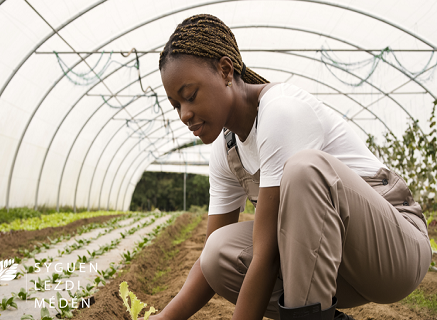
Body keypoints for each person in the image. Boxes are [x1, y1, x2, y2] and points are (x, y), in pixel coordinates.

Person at [147, 14, 431, 320]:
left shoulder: (281, 111)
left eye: (190, 96)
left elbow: (266, 254)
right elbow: (208, 264)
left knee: (305, 170)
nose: (184, 114)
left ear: (226, 70)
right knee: (217, 253)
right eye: (176, 105)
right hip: (337, 268)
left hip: (395, 253)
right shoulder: (226, 149)